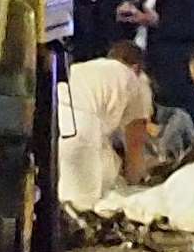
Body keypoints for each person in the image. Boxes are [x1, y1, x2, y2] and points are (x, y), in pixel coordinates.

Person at [55, 43, 155, 211]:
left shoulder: (87, 68)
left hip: (53, 122)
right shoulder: (137, 81)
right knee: (83, 206)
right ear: (137, 67)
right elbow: (135, 143)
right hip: (82, 129)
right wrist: (135, 181)